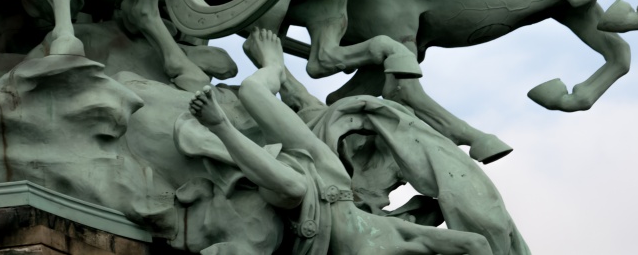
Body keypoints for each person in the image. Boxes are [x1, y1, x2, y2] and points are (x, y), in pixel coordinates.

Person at [189, 29, 495, 255]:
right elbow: (476, 244)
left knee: (293, 188)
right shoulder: (403, 240)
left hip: (303, 213)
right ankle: (274, 66)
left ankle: (219, 126)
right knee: (253, 93)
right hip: (330, 176)